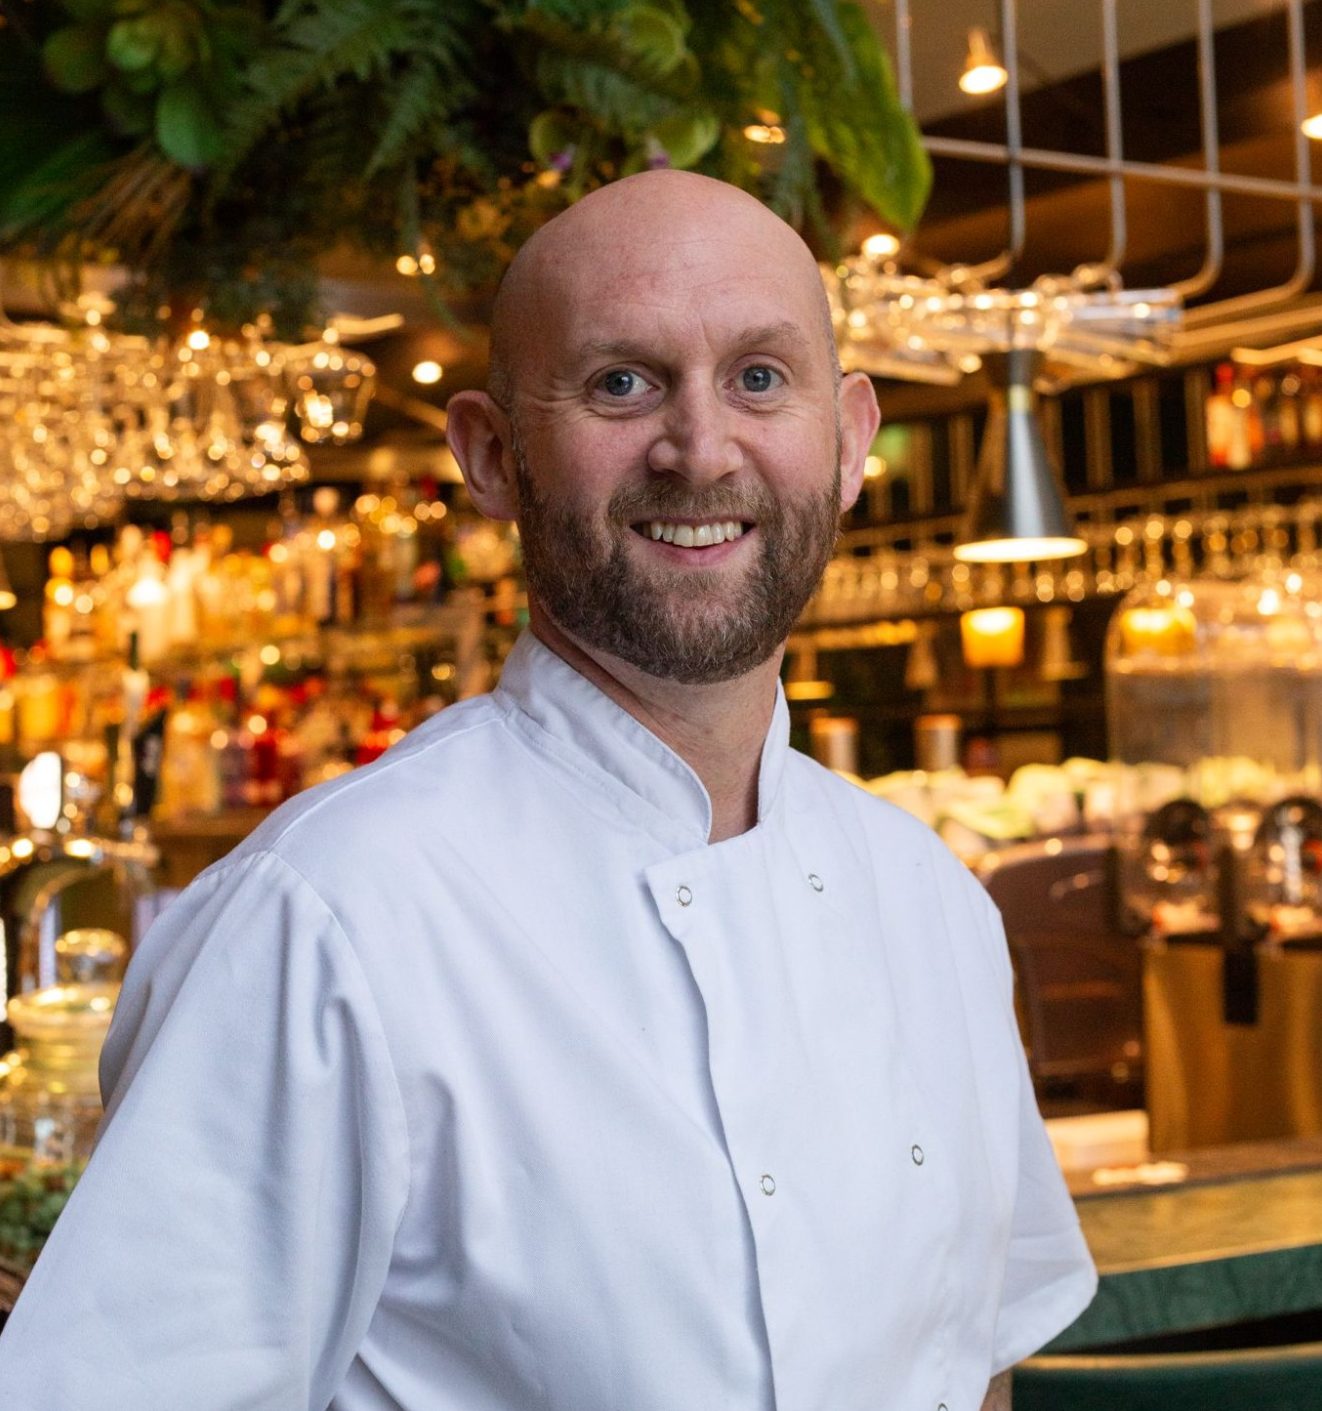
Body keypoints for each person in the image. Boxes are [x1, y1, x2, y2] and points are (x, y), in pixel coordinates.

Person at [0, 170, 1095, 1409]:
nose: (699, 449)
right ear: (491, 457)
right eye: (620, 383)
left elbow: (977, 1364)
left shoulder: (933, 905)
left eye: (757, 377)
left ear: (845, 442)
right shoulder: (321, 919)